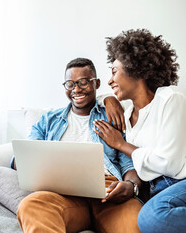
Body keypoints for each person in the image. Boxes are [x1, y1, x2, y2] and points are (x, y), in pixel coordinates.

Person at [16, 58, 142, 233]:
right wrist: (23, 162)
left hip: (108, 192)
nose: (76, 89)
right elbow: (23, 157)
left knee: (134, 223)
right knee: (30, 205)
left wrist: (130, 186)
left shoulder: (113, 117)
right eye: (70, 84)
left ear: (96, 83)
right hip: (62, 194)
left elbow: (130, 164)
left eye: (83, 82)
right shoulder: (48, 121)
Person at [93, 29, 186, 233]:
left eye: (114, 71)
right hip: (155, 190)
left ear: (136, 69)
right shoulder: (126, 112)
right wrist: (108, 99)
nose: (110, 80)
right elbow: (97, 97)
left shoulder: (169, 98)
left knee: (151, 218)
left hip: (180, 181)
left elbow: (170, 163)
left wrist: (121, 144)